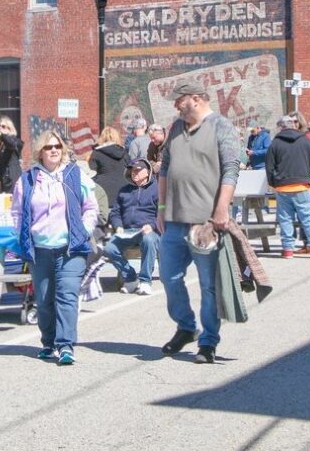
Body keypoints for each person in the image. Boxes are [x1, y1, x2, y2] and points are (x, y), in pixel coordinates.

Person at [157, 81, 241, 364]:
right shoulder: (176, 129)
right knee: (169, 277)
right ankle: (186, 326)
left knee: (208, 285)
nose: (175, 106)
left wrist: (221, 209)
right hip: (174, 219)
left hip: (204, 223)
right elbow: (165, 168)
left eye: (179, 100)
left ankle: (208, 341)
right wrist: (160, 208)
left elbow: (231, 170)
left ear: (195, 99)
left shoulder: (222, 127)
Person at [12, 130, 98, 365]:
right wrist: (21, 235)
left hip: (71, 248)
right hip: (40, 249)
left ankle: (66, 345)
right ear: (40, 151)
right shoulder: (28, 179)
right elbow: (17, 212)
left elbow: (91, 207)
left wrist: (84, 230)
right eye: (49, 147)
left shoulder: (74, 175)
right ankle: (49, 343)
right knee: (44, 299)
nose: (53, 151)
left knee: (67, 295)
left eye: (57, 147)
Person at [266, 115, 310, 258]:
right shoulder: (305, 141)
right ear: (293, 126)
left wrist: (273, 183)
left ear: (280, 127)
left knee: (285, 219)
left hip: (283, 187)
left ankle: (288, 249)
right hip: (302, 185)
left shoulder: (275, 143)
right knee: (307, 218)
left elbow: (269, 167)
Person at [103, 158, 161, 295]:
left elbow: (163, 213)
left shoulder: (157, 189)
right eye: (132, 170)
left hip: (147, 231)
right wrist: (118, 226)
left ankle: (145, 281)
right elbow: (116, 213)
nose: (134, 173)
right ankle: (130, 278)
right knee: (109, 248)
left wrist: (152, 226)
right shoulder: (124, 191)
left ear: (147, 172)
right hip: (127, 231)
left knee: (149, 240)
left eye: (137, 170)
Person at [88, 126, 129, 208]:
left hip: (103, 193)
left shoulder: (96, 153)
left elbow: (91, 171)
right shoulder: (124, 153)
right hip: (123, 192)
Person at [0, 116, 23, 195]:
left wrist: (1, 135)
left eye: (3, 126)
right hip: (3, 179)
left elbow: (11, 144)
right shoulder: (1, 144)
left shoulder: (14, 140)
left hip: (12, 178)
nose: (0, 128)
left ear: (10, 129)